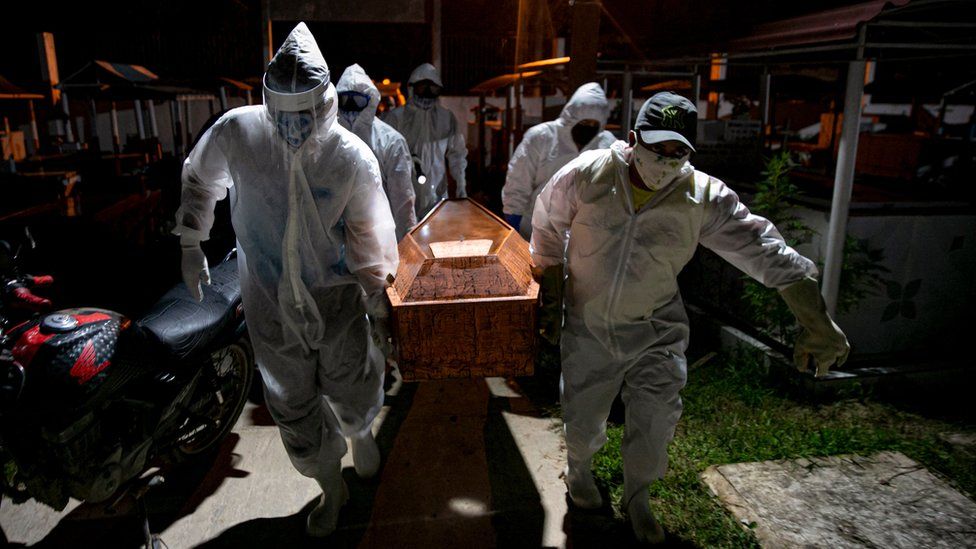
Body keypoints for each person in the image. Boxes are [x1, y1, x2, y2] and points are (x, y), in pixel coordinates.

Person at [530, 92, 849, 544]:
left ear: (689, 152)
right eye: (656, 147)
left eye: (677, 150)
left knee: (656, 419)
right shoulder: (590, 173)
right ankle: (578, 470)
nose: (664, 159)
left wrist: (817, 321)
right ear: (633, 138)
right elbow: (546, 223)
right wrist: (552, 286)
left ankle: (638, 496)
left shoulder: (701, 197)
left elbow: (765, 250)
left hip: (656, 327)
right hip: (590, 321)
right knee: (583, 416)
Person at [174, 23, 398, 537]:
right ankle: (330, 488)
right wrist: (191, 240)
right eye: (285, 114)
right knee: (291, 405)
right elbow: (199, 176)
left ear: (326, 104)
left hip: (336, 302)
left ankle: (360, 432)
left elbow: (370, 236)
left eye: (306, 114)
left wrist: (378, 304)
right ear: (267, 104)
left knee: (353, 384)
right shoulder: (240, 133)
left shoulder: (349, 157)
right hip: (269, 304)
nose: (294, 125)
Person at [501, 82, 616, 239]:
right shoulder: (541, 137)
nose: (588, 127)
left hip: (584, 236)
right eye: (583, 122)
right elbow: (518, 182)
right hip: (535, 229)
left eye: (593, 124)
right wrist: (513, 221)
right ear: (571, 117)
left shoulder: (606, 144)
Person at [336, 63, 417, 241]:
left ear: (370, 100)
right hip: (339, 242)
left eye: (357, 100)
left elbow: (403, 201)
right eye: (345, 99)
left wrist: (406, 245)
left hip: (380, 241)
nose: (350, 107)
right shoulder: (328, 140)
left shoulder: (390, 141)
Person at [384, 63, 467, 218]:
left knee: (436, 237)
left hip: (438, 194)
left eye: (433, 88)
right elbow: (385, 157)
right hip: (404, 195)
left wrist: (461, 184)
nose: (428, 93)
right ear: (412, 88)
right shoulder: (396, 118)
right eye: (423, 88)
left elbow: (457, 154)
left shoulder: (446, 118)